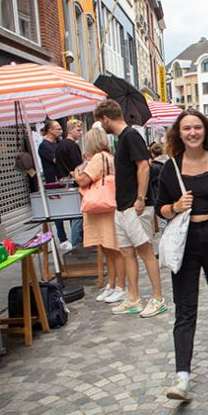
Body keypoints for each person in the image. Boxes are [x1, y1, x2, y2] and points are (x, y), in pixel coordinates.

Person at [156, 109, 208, 402]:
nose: (192, 133)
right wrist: (175, 207)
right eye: (186, 128)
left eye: (197, 127)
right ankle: (182, 377)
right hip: (185, 243)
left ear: (206, 131)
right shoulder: (169, 168)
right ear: (178, 134)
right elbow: (160, 209)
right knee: (185, 306)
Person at [94, 99, 166, 318]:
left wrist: (140, 198)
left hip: (135, 205)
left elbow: (143, 166)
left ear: (106, 118)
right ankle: (133, 298)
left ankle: (157, 298)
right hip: (123, 205)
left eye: (101, 122)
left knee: (145, 251)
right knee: (126, 251)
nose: (102, 126)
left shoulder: (131, 136)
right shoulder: (123, 138)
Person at [72, 128, 127, 304]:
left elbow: (83, 180)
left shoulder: (98, 158)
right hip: (106, 206)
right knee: (108, 248)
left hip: (102, 209)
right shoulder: (108, 156)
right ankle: (113, 285)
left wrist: (76, 173)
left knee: (112, 249)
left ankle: (119, 286)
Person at [38, 120, 73, 252]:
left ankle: (75, 236)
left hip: (65, 180)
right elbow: (57, 160)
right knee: (58, 211)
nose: (60, 131)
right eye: (58, 129)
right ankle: (62, 239)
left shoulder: (58, 143)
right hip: (53, 182)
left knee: (70, 208)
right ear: (50, 130)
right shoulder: (44, 146)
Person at [56, 119, 85, 249]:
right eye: (78, 130)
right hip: (74, 183)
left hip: (64, 183)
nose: (80, 133)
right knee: (78, 216)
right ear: (70, 130)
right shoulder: (72, 146)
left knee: (74, 216)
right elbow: (78, 166)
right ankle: (77, 246)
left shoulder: (60, 145)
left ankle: (76, 246)